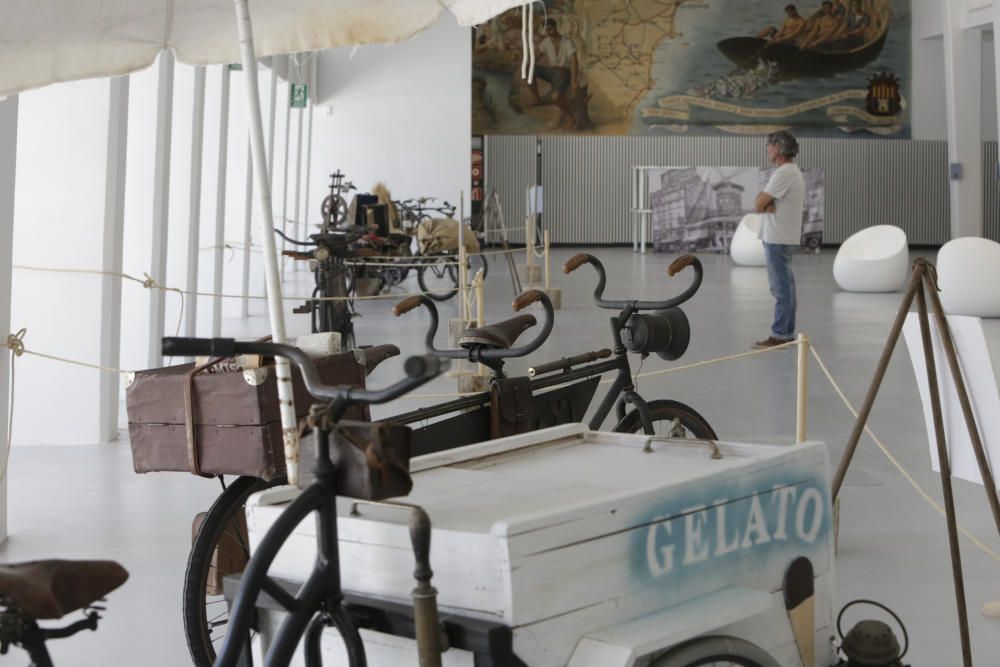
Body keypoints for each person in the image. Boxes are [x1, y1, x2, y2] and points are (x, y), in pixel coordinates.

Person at [752, 130, 805, 349]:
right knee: (785, 287)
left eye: (770, 145)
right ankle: (786, 332)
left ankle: (781, 334)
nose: (767, 149)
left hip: (777, 237)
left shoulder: (784, 173)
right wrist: (766, 203)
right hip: (782, 236)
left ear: (779, 149)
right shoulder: (790, 172)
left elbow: (758, 203)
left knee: (781, 288)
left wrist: (765, 203)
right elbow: (762, 201)